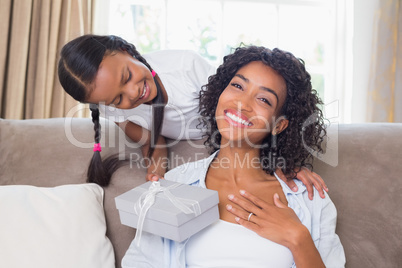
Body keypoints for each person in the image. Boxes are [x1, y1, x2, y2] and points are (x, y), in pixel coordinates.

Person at [121, 46, 345, 267]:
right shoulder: (174, 185)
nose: (242, 104)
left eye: (264, 100)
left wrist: (298, 239)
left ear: (279, 125)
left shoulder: (310, 198)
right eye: (237, 86)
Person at [58, 34, 328, 201]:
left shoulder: (185, 68)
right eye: (117, 99)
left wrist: (286, 163)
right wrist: (156, 159)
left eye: (127, 76)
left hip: (228, 133)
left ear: (127, 51)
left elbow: (245, 111)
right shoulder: (110, 106)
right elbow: (145, 135)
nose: (132, 94)